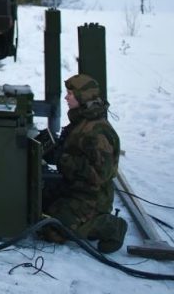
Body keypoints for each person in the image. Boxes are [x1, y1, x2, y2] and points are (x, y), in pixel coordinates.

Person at [40, 74, 127, 253]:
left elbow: (100, 175)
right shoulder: (82, 121)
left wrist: (62, 159)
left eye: (70, 94)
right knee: (37, 205)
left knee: (53, 230)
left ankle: (109, 226)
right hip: (73, 187)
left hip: (91, 197)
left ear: (83, 97)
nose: (66, 97)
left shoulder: (98, 132)